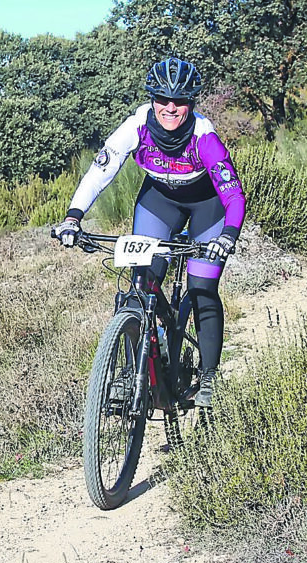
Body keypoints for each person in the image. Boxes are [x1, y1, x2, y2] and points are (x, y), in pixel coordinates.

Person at [53, 57, 247, 408]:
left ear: (192, 103)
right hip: (159, 202)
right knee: (141, 287)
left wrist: (228, 236)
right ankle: (132, 374)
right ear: (152, 99)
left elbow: (233, 194)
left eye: (181, 101)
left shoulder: (205, 137)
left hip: (208, 206)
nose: (171, 108)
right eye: (163, 99)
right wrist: (73, 217)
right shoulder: (135, 126)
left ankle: (209, 376)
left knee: (202, 287)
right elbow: (100, 172)